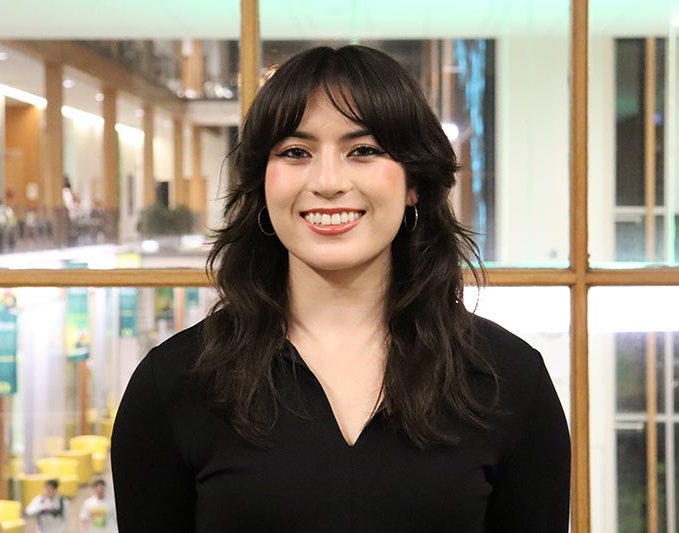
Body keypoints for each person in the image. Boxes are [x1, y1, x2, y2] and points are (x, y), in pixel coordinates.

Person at [111, 45, 571, 532]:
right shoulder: (174, 384)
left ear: (414, 182)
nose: (328, 181)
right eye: (295, 152)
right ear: (262, 185)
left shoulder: (508, 380)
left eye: (364, 150)